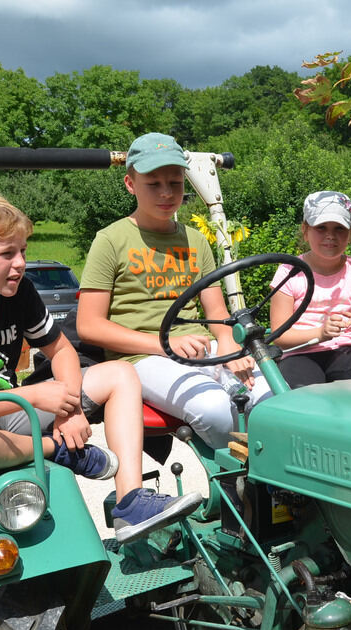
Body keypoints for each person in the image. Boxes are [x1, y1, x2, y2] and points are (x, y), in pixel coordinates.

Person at [0, 192, 199, 544]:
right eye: (6, 254)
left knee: (120, 373)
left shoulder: (19, 292)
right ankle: (55, 450)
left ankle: (130, 502)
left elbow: (61, 351)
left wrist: (70, 407)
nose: (20, 263)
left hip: (10, 410)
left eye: (23, 251)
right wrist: (35, 397)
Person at [76, 132, 270, 453]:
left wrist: (228, 346)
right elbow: (89, 325)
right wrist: (165, 345)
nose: (167, 193)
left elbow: (217, 314)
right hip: (142, 357)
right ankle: (236, 487)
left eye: (176, 183)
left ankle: (272, 492)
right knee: (216, 409)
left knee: (272, 399)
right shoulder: (110, 240)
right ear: (130, 184)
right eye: (154, 184)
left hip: (201, 348)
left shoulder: (195, 240)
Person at [268, 191, 351, 388]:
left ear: (350, 234)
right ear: (305, 231)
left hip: (345, 351)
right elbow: (279, 336)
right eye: (321, 227)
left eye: (339, 228)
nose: (330, 236)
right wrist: (320, 333)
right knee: (304, 394)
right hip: (299, 354)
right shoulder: (289, 272)